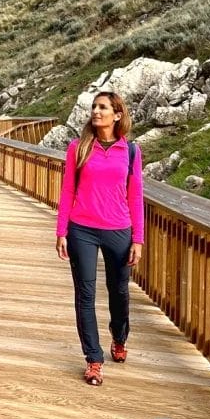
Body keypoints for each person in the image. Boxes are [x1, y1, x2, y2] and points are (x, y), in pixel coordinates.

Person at [55, 90, 144, 386]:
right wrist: (62, 231)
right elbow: (68, 190)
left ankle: (119, 338)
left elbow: (135, 196)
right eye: (94, 106)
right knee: (85, 295)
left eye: (103, 107)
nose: (96, 111)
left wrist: (138, 239)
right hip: (82, 229)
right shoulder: (77, 147)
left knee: (119, 292)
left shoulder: (130, 151)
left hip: (119, 230)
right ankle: (93, 360)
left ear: (117, 115)